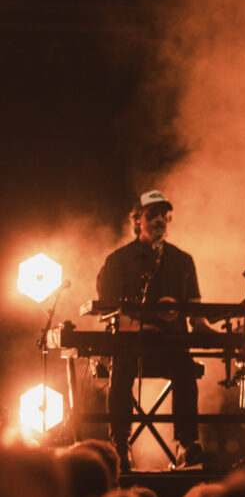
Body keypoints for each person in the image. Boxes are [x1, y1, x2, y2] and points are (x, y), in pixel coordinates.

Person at [97, 190, 210, 471]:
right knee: (121, 370)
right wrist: (137, 325)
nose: (160, 220)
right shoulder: (118, 261)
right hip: (129, 348)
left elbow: (194, 310)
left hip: (170, 348)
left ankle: (186, 445)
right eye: (153, 215)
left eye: (165, 215)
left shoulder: (182, 260)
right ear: (137, 221)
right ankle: (120, 446)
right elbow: (109, 312)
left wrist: (206, 327)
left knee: (185, 368)